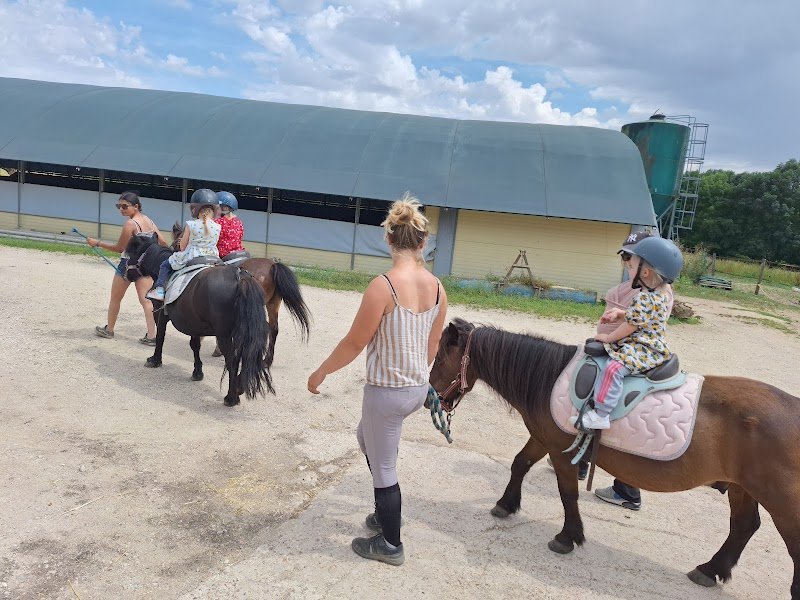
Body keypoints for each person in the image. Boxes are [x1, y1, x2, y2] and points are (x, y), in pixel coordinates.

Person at [307, 193, 448, 567]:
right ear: (423, 243)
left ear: (388, 239)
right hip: (416, 389)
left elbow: (355, 342)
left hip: (387, 392)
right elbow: (432, 344)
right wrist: (417, 375)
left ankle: (390, 542)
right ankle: (384, 513)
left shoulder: (382, 286)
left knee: (384, 467)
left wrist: (321, 371)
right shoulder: (437, 287)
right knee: (364, 438)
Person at [592, 231, 676, 510]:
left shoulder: (646, 296)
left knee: (614, 368)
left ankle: (601, 414)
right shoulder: (656, 293)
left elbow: (632, 326)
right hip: (648, 341)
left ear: (647, 271)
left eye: (631, 262)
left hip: (642, 346)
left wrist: (608, 337)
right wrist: (620, 314)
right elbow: (636, 316)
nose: (627, 266)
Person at [87, 191, 168, 345]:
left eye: (124, 206)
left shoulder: (130, 224)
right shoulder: (149, 221)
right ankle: (152, 336)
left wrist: (97, 243)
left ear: (135, 206)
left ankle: (109, 329)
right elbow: (162, 241)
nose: (121, 209)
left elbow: (119, 248)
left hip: (127, 264)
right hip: (145, 265)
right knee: (147, 302)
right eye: (119, 206)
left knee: (115, 298)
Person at [146, 189, 221, 301]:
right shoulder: (218, 226)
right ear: (214, 210)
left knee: (165, 265)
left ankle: (160, 290)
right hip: (213, 256)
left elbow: (182, 247)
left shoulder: (191, 224)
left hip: (193, 255)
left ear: (195, 209)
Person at [214, 191, 246, 259]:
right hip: (239, 253)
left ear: (225, 208)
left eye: (216, 207)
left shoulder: (217, 222)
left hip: (223, 255)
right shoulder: (239, 222)